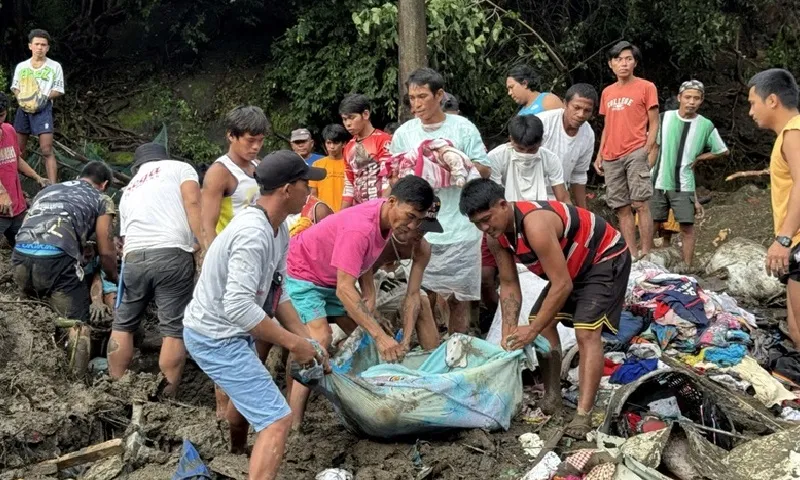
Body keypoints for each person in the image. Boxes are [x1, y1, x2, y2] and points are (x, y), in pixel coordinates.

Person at [183, 150, 327, 479]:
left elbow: (279, 294)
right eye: (306, 184)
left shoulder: (278, 230)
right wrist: (294, 344)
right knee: (278, 420)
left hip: (229, 330)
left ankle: (236, 452)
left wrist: (309, 341)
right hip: (215, 336)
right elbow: (239, 307)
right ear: (287, 190)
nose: (311, 192)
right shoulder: (253, 234)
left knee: (250, 395)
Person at [459, 178, 630, 438]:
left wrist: (532, 330)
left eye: (487, 218)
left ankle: (583, 415)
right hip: (571, 266)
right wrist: (509, 332)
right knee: (539, 323)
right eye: (477, 224)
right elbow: (508, 284)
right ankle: (553, 397)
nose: (484, 227)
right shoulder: (495, 237)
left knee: (586, 332)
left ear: (503, 205)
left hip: (603, 257)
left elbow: (562, 285)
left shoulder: (535, 225)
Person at [285, 175, 438, 428]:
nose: (412, 228)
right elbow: (345, 289)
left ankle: (366, 398)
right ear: (391, 202)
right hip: (304, 274)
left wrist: (370, 293)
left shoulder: (387, 220)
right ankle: (294, 422)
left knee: (362, 336)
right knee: (319, 340)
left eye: (419, 222)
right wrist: (381, 336)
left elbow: (362, 260)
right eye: (410, 217)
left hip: (333, 277)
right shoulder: (360, 228)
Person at [390, 67, 491, 334]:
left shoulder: (463, 128)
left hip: (460, 227)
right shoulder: (405, 134)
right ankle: (430, 348)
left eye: (422, 96)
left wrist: (455, 166)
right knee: (424, 295)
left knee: (459, 298)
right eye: (412, 98)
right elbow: (393, 178)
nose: (417, 103)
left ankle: (458, 345)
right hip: (422, 226)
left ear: (439, 95)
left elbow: (485, 168)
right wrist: (416, 170)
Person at [107, 143, 204, 397]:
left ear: (138, 166)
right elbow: (193, 202)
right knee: (172, 328)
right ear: (164, 157)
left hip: (134, 257)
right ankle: (166, 398)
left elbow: (124, 238)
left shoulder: (130, 188)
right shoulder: (180, 168)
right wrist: (204, 243)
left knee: (124, 323)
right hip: (172, 254)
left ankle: (114, 386)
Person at [13, 161, 118, 323]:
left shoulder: (48, 190)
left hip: (20, 254)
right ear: (104, 185)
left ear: (79, 177)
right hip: (56, 260)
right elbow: (106, 251)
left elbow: (27, 223)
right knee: (76, 323)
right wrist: (113, 276)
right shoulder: (102, 199)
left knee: (29, 315)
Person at [746, 68, 800, 348]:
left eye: (753, 102)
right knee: (795, 329)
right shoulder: (789, 134)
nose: (750, 111)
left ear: (773, 100)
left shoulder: (794, 132)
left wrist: (784, 238)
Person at [650, 80, 729, 266]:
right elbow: (652, 145)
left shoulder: (705, 125)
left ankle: (687, 266)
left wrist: (700, 157)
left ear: (701, 101)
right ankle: (644, 260)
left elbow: (722, 150)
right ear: (679, 98)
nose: (691, 102)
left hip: (683, 184)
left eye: (696, 98)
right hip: (657, 180)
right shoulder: (664, 117)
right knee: (650, 224)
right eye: (688, 97)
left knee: (687, 227)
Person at [594, 41, 659, 259]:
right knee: (621, 207)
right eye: (618, 59)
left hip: (635, 150)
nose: (623, 63)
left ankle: (647, 252)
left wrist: (646, 148)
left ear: (635, 63)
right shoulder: (607, 92)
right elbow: (607, 125)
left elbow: (654, 123)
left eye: (628, 59)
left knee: (640, 203)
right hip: (611, 154)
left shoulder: (646, 87)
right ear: (610, 64)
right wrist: (600, 153)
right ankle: (631, 254)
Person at [371, 197, 443, 351]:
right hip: (364, 283)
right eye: (420, 228)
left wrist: (406, 340)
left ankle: (432, 358)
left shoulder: (423, 248)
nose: (422, 234)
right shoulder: (384, 235)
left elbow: (413, 294)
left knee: (422, 300)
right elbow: (359, 281)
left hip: (394, 283)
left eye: (426, 230)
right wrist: (374, 314)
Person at [201, 106, 266, 247]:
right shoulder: (220, 172)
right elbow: (207, 227)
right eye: (250, 140)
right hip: (231, 249)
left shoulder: (259, 165)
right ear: (231, 136)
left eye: (260, 140)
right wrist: (214, 262)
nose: (256, 146)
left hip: (258, 245)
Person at [11, 29, 65, 184]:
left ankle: (52, 187)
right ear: (30, 46)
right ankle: (17, 186)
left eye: (43, 45)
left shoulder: (55, 66)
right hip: (24, 110)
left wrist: (42, 98)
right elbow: (15, 87)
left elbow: (58, 89)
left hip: (43, 109)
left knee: (46, 149)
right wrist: (22, 99)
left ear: (48, 48)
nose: (40, 47)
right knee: (18, 151)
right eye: (37, 44)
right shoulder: (22, 67)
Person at [536, 83, 598, 209]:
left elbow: (579, 175)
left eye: (587, 111)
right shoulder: (542, 123)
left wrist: (584, 213)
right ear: (565, 104)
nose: (581, 114)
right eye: (576, 107)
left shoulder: (588, 134)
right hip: (529, 193)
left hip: (559, 196)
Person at [0, 92, 49, 246]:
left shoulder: (9, 130)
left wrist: (37, 177)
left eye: (0, 116)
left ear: (5, 113)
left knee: (26, 248)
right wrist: (1, 193)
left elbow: (16, 158)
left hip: (16, 207)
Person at [488, 114, 570, 203]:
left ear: (541, 142)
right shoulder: (496, 157)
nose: (525, 154)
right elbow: (496, 199)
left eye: (532, 149)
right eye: (520, 148)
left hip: (541, 207)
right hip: (509, 207)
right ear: (511, 139)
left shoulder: (551, 159)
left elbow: (563, 198)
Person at [339, 94, 393, 209]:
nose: (347, 123)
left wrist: (380, 210)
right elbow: (349, 185)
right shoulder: (348, 147)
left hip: (381, 208)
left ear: (366, 114)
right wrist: (340, 216)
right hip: (359, 210)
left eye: (352, 117)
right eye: (344, 119)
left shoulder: (383, 140)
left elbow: (388, 180)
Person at [310, 124, 349, 212]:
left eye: (336, 143)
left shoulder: (350, 164)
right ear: (325, 144)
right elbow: (313, 194)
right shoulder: (317, 165)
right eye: (329, 143)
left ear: (344, 144)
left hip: (346, 213)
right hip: (324, 216)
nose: (332, 147)